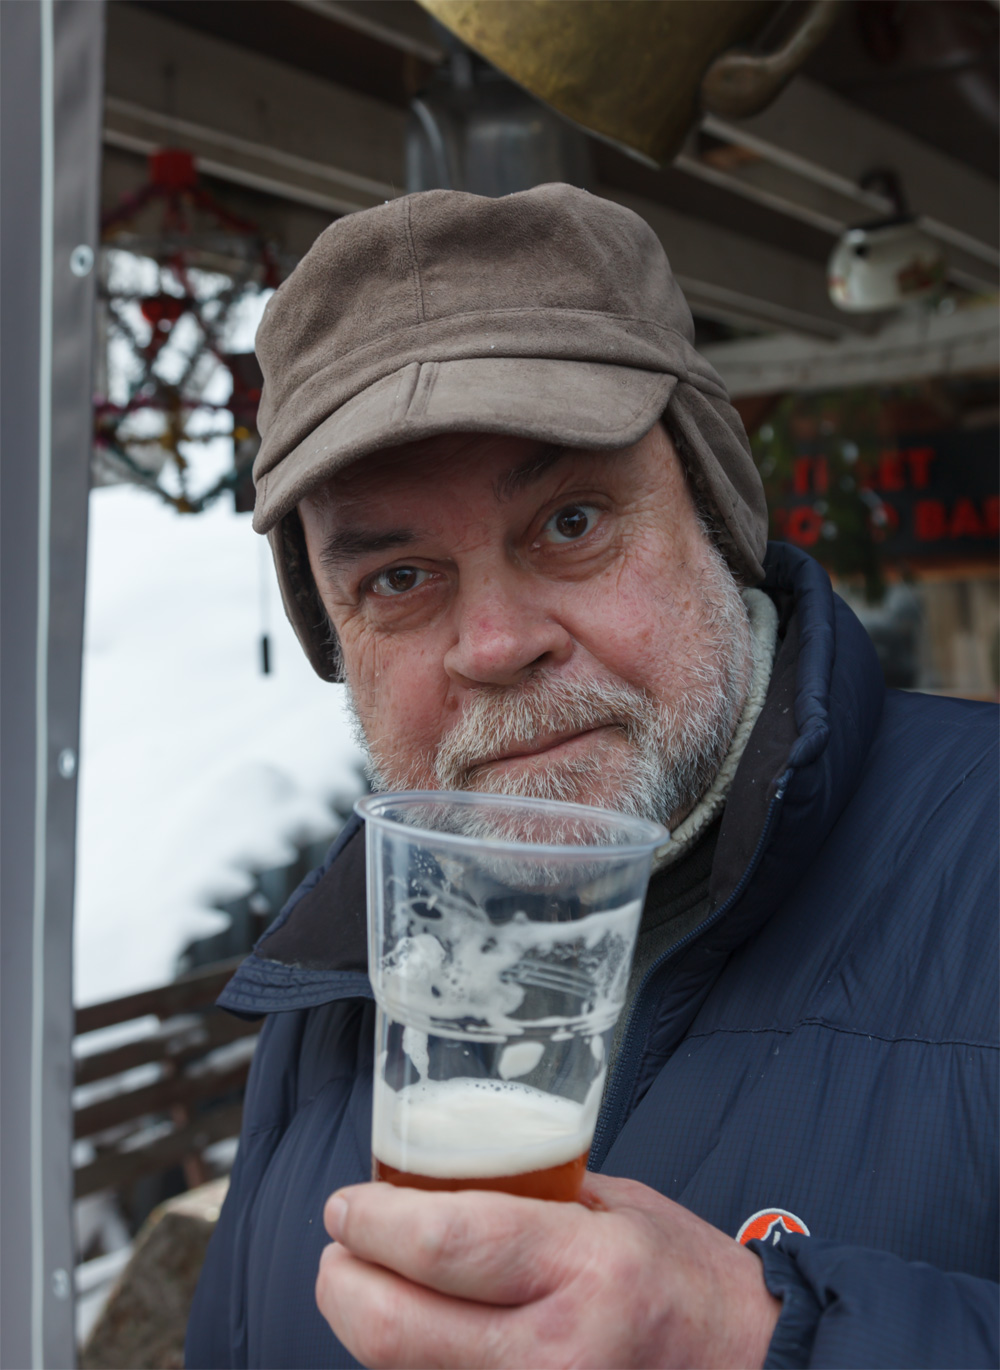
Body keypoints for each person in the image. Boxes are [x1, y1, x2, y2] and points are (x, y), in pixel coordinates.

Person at [186, 184, 998, 1370]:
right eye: (398, 579)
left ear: (715, 513)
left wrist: (753, 1338)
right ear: (336, 637)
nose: (495, 642)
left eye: (570, 521)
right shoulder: (335, 992)